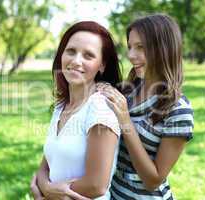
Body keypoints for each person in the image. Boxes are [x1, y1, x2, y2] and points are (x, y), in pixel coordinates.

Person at [97, 13, 194, 200]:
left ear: (164, 49)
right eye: (130, 47)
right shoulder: (127, 92)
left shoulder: (178, 109)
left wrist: (125, 120)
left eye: (141, 47)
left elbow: (153, 180)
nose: (131, 56)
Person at [30, 21, 122, 200]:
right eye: (70, 51)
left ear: (102, 65)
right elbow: (46, 166)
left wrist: (48, 193)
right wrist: (45, 186)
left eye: (88, 55)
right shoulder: (61, 105)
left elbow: (96, 185)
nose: (76, 60)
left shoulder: (100, 109)